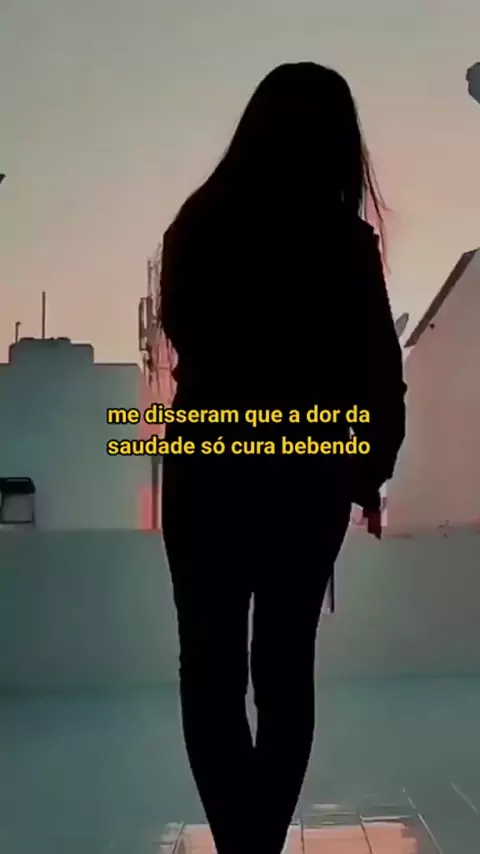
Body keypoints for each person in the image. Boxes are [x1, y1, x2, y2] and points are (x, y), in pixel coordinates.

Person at [158, 62, 406, 854]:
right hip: (304, 479)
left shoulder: (196, 226)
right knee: (284, 667)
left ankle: (244, 844)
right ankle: (259, 843)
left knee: (209, 670)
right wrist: (366, 472)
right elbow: (380, 376)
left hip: (206, 472)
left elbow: (185, 336)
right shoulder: (343, 242)